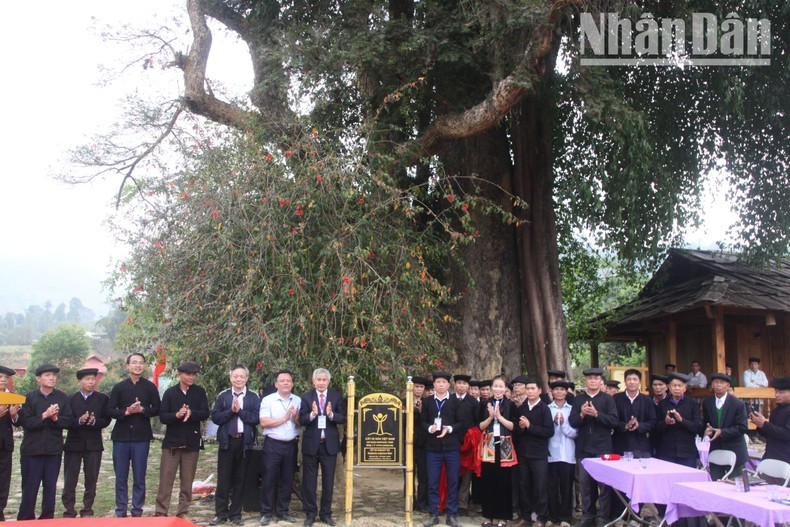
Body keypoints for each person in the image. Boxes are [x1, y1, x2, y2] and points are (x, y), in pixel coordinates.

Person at [106, 352, 161, 517]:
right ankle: (121, 510)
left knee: (139, 476)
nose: (138, 365)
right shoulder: (119, 387)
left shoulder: (150, 387)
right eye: (134, 362)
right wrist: (126, 411)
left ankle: (137, 510)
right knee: (121, 477)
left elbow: (158, 408)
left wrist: (142, 410)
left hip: (141, 437)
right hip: (121, 437)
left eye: (141, 362)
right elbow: (109, 410)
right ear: (127, 366)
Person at [17, 364, 74, 520]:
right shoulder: (29, 397)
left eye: (54, 375)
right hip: (32, 451)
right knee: (29, 488)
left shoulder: (62, 397)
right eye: (47, 375)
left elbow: (69, 421)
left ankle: (47, 519)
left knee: (50, 488)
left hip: (53, 450)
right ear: (38, 379)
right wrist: (44, 415)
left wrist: (55, 419)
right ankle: (25, 519)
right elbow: (26, 422)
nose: (51, 378)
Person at [155, 360, 210, 518]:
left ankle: (183, 512)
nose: (191, 377)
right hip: (172, 444)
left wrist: (191, 413)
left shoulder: (199, 392)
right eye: (188, 374)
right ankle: (161, 512)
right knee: (166, 481)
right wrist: (177, 415)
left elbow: (205, 413)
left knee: (187, 482)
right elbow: (163, 416)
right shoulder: (170, 393)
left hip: (191, 443)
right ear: (179, 374)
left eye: (194, 375)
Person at [210, 365, 262, 526]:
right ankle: (221, 513)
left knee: (240, 479)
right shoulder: (223, 396)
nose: (239, 379)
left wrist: (239, 411)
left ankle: (236, 514)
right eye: (235, 376)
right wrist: (231, 411)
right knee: (224, 478)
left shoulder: (253, 397)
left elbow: (256, 419)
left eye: (242, 376)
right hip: (227, 442)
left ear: (247, 378)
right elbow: (215, 417)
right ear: (230, 378)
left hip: (244, 442)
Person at [568, 367, 618, 527]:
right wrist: (582, 414)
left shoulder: (608, 399)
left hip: (603, 448)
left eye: (596, 378)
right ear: (586, 381)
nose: (593, 381)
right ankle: (587, 516)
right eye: (590, 378)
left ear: (601, 381)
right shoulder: (578, 400)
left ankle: (602, 516)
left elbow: (614, 421)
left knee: (604, 486)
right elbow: (572, 422)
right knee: (585, 485)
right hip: (583, 448)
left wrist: (596, 414)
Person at [62, 368, 111, 518]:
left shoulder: (103, 399)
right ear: (79, 382)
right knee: (70, 478)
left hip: (94, 445)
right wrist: (79, 420)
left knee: (91, 478)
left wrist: (94, 421)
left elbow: (106, 420)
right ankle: (69, 510)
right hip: (73, 444)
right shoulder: (70, 399)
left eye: (93, 379)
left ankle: (87, 509)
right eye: (87, 379)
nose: (91, 382)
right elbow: (65, 421)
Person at [299, 367, 345, 527]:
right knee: (309, 482)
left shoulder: (336, 396)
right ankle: (310, 514)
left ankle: (326, 514)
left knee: (328, 481)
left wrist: (331, 414)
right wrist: (313, 414)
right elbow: (302, 419)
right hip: (311, 445)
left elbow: (342, 418)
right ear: (313, 381)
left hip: (329, 445)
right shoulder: (306, 397)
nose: (321, 382)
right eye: (318, 379)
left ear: (328, 381)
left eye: (324, 380)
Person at [259, 369, 302, 525]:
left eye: (288, 381)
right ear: (276, 384)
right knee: (269, 478)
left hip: (291, 444)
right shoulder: (268, 400)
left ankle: (282, 511)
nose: (285, 383)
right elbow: (263, 422)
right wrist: (284, 418)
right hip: (273, 444)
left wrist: (295, 418)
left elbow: (301, 423)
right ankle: (266, 512)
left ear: (292, 384)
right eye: (282, 381)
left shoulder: (298, 400)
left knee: (287, 479)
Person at [421, 371, 462, 527]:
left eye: (444, 382)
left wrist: (449, 428)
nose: (441, 385)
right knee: (433, 482)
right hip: (433, 448)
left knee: (453, 482)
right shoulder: (427, 402)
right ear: (434, 384)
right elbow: (422, 422)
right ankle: (433, 514)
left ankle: (452, 515)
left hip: (452, 447)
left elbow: (462, 422)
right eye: (438, 382)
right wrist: (429, 428)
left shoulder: (455, 401)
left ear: (448, 385)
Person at [478, 375, 517, 527]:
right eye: (496, 386)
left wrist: (499, 417)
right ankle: (488, 516)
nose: (498, 389)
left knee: (504, 481)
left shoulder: (510, 405)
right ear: (492, 388)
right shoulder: (485, 404)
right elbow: (480, 426)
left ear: (506, 388)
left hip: (505, 443)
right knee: (488, 479)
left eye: (501, 386)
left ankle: (503, 517)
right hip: (489, 443)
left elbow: (514, 426)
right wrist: (490, 417)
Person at [514, 377, 553, 527]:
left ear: (539, 391)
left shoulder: (544, 409)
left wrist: (530, 426)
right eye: (528, 389)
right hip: (523, 452)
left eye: (532, 389)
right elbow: (517, 430)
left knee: (540, 486)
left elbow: (549, 431)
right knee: (524, 485)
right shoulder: (521, 408)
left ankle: (541, 517)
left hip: (539, 454)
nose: (530, 391)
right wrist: (521, 428)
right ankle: (526, 516)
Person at [702, 372, 748, 480]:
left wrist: (722, 432)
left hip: (735, 449)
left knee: (736, 482)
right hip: (716, 448)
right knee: (716, 482)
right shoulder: (707, 402)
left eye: (722, 382)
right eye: (716, 382)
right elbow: (706, 423)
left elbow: (742, 427)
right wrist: (707, 431)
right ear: (712, 385)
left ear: (728, 386)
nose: (718, 385)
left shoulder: (738, 404)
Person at [654, 373, 703, 467]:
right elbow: (655, 427)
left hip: (687, 452)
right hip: (666, 451)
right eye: (674, 385)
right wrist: (666, 422)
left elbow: (698, 427)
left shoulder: (692, 404)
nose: (677, 388)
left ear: (685, 388)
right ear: (669, 387)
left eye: (680, 386)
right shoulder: (662, 404)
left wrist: (682, 420)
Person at [547, 381, 576, 527]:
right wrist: (553, 424)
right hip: (550, 453)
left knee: (566, 487)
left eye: (562, 389)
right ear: (552, 392)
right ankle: (552, 516)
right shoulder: (547, 409)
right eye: (556, 389)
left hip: (567, 453)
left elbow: (576, 433)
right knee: (551, 487)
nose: (559, 392)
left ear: (566, 392)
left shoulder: (572, 409)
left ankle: (566, 517)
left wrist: (563, 425)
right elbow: (545, 431)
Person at [612, 369, 655, 457]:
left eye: (635, 379)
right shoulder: (615, 399)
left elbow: (653, 422)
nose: (632, 382)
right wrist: (625, 425)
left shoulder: (647, 400)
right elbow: (612, 420)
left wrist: (639, 425)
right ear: (625, 381)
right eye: (629, 379)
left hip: (641, 445)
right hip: (619, 444)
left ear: (639, 382)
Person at [749, 376, 790, 465]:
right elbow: (771, 434)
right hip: (771, 455)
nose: (777, 395)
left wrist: (764, 424)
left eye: (781, 392)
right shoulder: (776, 410)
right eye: (776, 392)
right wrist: (759, 424)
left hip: (786, 458)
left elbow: (787, 434)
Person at [451, 373, 476, 517]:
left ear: (468, 386)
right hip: (451, 442)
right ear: (455, 385)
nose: (461, 386)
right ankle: (450, 502)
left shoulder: (473, 402)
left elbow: (477, 422)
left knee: (466, 476)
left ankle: (463, 504)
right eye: (459, 383)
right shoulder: (450, 400)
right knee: (452, 474)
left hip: (468, 444)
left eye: (464, 383)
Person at [0, 364, 21, 522]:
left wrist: (14, 416)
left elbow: (18, 422)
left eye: (6, 378)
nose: (3, 380)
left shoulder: (12, 397)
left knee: (4, 480)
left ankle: (0, 511)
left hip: (5, 445)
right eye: (0, 377)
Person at [411, 376, 430, 513]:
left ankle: (422, 502)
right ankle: (410, 501)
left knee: (424, 475)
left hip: (423, 443)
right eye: (416, 386)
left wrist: (422, 411)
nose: (419, 389)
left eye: (421, 387)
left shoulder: (428, 403)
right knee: (409, 473)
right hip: (408, 443)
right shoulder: (403, 402)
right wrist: (410, 410)